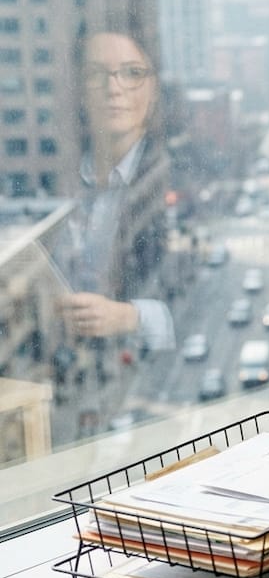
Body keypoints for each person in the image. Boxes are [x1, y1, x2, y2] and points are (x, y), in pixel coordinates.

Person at [48, 30, 175, 435]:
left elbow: (195, 297)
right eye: (96, 74)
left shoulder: (175, 171)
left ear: (153, 88)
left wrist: (128, 316)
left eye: (132, 73)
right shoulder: (61, 178)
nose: (113, 88)